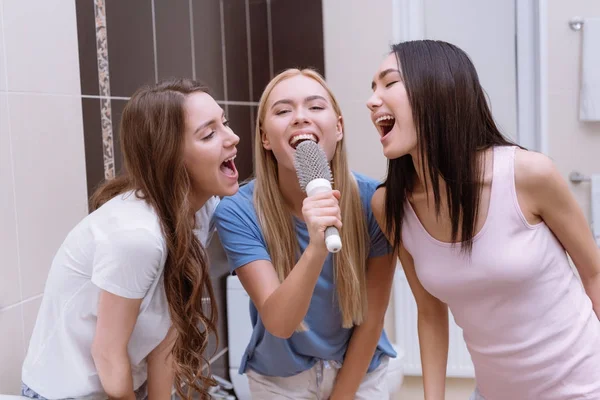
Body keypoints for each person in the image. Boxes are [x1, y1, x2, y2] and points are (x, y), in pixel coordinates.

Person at [368, 39, 600, 400]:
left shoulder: (527, 175)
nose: (372, 100)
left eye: (389, 83)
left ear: (436, 88)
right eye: (372, 88)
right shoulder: (391, 205)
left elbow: (594, 272)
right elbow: (430, 312)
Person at [21, 78, 240, 400]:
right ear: (169, 156)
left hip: (122, 387)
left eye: (224, 123)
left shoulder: (201, 210)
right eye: (209, 133)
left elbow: (168, 326)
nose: (233, 137)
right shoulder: (137, 238)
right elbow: (108, 354)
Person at [213, 68, 397, 399]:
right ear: (265, 138)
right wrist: (315, 247)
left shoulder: (375, 202)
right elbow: (280, 323)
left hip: (360, 372)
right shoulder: (237, 212)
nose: (300, 117)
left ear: (338, 128)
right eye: (283, 111)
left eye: (315, 107)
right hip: (280, 380)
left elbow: (371, 319)